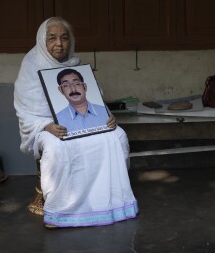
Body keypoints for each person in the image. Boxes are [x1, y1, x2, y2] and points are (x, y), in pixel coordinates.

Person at [14, 17, 138, 228]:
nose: (59, 44)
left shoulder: (76, 65)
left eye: (64, 38)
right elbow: (25, 110)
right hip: (49, 127)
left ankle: (111, 203)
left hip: (84, 123)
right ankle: (60, 211)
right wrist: (46, 126)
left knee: (117, 135)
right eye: (52, 38)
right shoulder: (30, 66)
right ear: (42, 40)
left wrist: (107, 116)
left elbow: (95, 101)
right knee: (56, 147)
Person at [55, 68, 108, 133]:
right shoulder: (59, 119)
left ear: (85, 87)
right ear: (61, 90)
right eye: (66, 85)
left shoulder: (103, 111)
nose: (73, 90)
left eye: (77, 83)